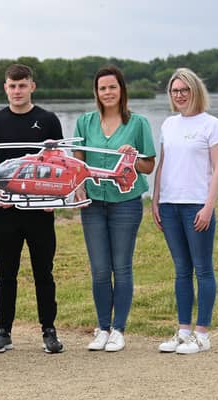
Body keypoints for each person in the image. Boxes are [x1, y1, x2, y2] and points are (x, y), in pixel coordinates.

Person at [0, 64, 65, 354]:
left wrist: (52, 200)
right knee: (7, 273)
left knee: (44, 272)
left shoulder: (48, 120)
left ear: (32, 86)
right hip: (6, 210)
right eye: (12, 86)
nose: (17, 91)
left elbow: (59, 164)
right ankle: (4, 331)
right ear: (5, 88)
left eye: (22, 85)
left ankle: (49, 331)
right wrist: (0, 191)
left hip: (40, 213)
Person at [72, 65, 156, 352]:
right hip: (93, 203)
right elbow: (78, 159)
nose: (107, 92)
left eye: (112, 87)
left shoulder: (139, 124)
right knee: (99, 269)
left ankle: (119, 329)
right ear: (96, 92)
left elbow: (149, 165)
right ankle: (102, 328)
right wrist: (78, 185)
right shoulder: (84, 123)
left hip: (126, 204)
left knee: (121, 267)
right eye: (102, 88)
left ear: (121, 89)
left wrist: (131, 159)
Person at [152, 68, 218, 354]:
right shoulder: (169, 125)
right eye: (175, 91)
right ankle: (183, 331)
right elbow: (163, 165)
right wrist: (156, 200)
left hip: (197, 205)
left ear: (195, 91)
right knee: (181, 269)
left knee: (202, 268)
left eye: (184, 90)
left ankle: (202, 334)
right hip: (170, 205)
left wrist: (209, 206)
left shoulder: (212, 124)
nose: (180, 95)